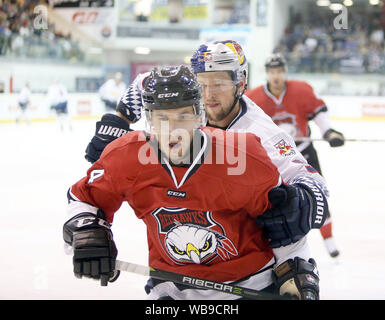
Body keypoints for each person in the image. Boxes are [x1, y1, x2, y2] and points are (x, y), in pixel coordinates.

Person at [63, 65, 321, 300]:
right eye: (161, 119)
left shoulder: (243, 154)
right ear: (149, 120)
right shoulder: (125, 156)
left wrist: (295, 270)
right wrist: (88, 230)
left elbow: (285, 221)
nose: (172, 129)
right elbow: (85, 198)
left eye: (182, 116)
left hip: (251, 286)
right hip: (171, 290)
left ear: (199, 115)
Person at [85, 41, 330, 252]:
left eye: (219, 84)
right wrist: (119, 119)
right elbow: (143, 82)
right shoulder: (191, 102)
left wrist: (299, 204)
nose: (208, 94)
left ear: (240, 82)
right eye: (202, 83)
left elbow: (314, 184)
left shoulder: (260, 132)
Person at [245, 53, 345, 258]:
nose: (276, 76)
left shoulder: (301, 90)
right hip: (272, 157)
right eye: (272, 72)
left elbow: (318, 113)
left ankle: (328, 239)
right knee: (271, 200)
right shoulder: (254, 98)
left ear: (285, 72)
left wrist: (329, 132)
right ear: (267, 73)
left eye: (279, 71)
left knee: (317, 193)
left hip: (304, 152)